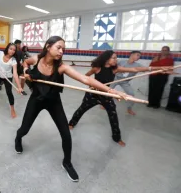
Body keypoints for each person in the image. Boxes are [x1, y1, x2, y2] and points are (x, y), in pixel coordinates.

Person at [15, 36, 128, 182]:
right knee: (24, 129)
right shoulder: (36, 59)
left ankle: (67, 162)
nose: (62, 51)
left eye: (63, 49)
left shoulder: (62, 67)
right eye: (59, 47)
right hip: (36, 100)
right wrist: (25, 71)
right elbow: (25, 62)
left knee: (66, 135)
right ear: (48, 46)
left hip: (54, 101)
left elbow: (86, 79)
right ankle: (18, 138)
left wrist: (111, 91)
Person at [68, 50, 169, 147]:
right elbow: (86, 77)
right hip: (93, 95)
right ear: (107, 59)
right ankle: (72, 123)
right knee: (81, 110)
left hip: (107, 96)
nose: (116, 60)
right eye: (114, 58)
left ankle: (117, 138)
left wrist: (157, 68)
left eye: (116, 58)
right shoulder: (97, 68)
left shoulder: (115, 69)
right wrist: (91, 86)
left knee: (113, 116)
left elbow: (135, 69)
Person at [0, 43, 23, 118]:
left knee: (9, 93)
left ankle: (12, 109)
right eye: (10, 49)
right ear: (7, 48)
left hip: (8, 77)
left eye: (14, 50)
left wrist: (19, 87)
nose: (12, 51)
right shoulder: (0, 53)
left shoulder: (13, 60)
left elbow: (15, 74)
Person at [110, 50, 142, 116]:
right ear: (132, 54)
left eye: (140, 56)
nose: (139, 57)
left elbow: (146, 69)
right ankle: (103, 104)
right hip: (115, 78)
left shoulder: (138, 65)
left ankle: (129, 109)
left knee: (131, 94)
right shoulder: (121, 61)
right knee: (107, 90)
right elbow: (113, 67)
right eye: (137, 55)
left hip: (125, 81)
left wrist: (160, 69)